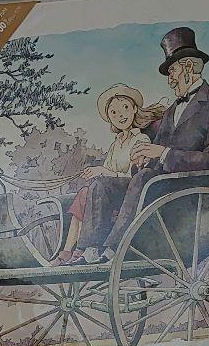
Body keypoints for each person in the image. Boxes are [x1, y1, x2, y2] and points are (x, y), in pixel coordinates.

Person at [75, 27, 209, 264]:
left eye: (172, 71)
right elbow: (157, 153)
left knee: (143, 178)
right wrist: (143, 159)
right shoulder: (172, 110)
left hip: (190, 191)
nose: (170, 80)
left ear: (188, 67)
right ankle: (90, 250)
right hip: (159, 186)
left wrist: (163, 154)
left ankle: (113, 250)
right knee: (102, 184)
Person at [53, 86, 166, 266]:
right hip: (111, 192)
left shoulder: (141, 140)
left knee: (92, 189)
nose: (120, 115)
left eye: (125, 108)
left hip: (129, 193)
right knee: (86, 191)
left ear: (134, 109)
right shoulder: (116, 144)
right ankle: (74, 251)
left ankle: (85, 249)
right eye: (113, 112)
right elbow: (106, 173)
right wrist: (96, 172)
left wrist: (103, 172)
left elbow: (134, 176)